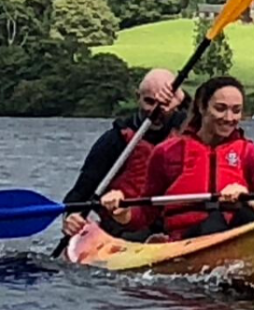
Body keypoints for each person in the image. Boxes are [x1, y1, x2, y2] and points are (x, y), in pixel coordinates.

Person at [100, 76, 254, 241]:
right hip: (187, 239)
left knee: (243, 216)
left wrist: (251, 199)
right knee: (214, 222)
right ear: (202, 107)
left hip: (235, 229)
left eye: (236, 111)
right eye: (220, 109)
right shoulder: (167, 152)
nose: (229, 118)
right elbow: (145, 213)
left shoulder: (251, 153)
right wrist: (123, 211)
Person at [60, 68, 189, 240]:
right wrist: (71, 217)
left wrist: (182, 98)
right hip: (125, 230)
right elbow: (79, 194)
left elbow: (208, 113)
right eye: (149, 102)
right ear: (138, 97)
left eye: (163, 105)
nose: (155, 111)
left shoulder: (187, 131)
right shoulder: (114, 140)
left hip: (173, 228)